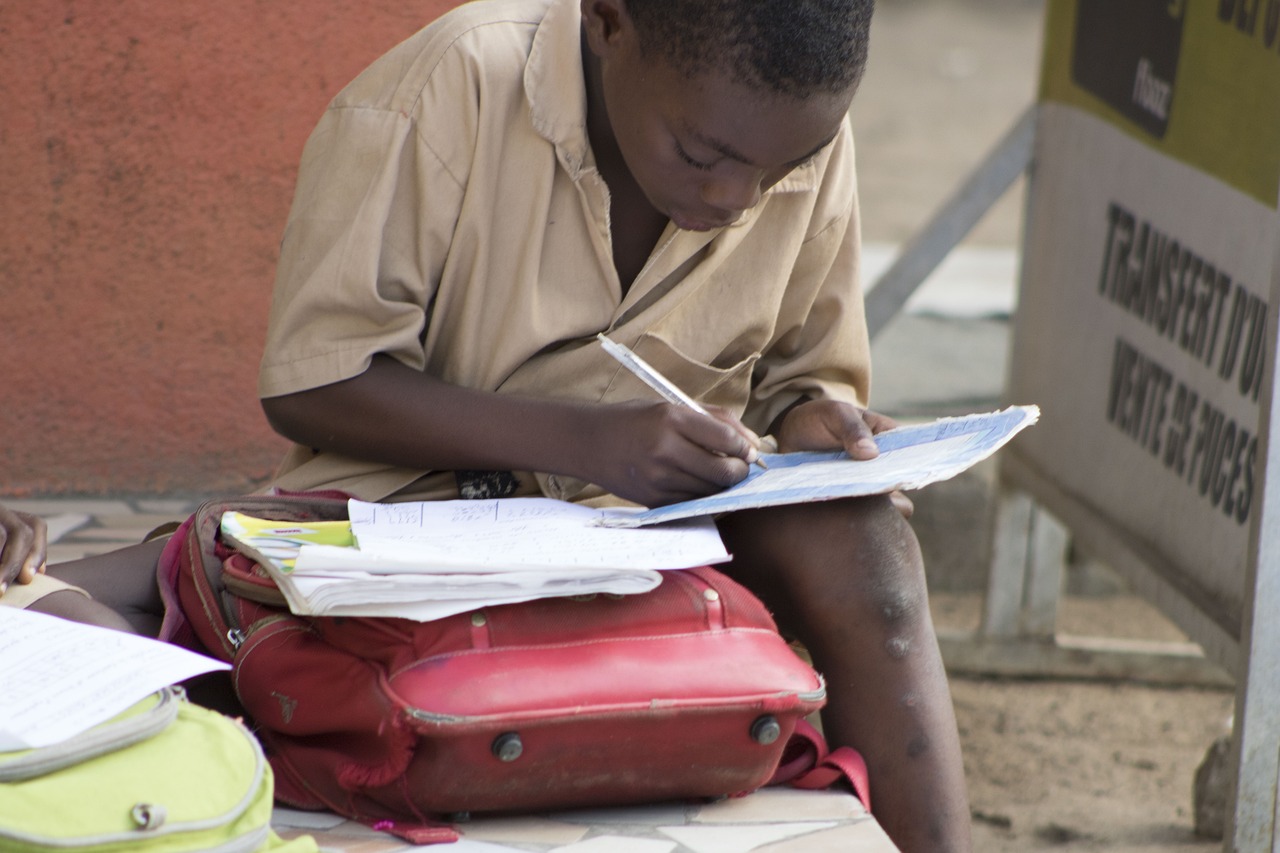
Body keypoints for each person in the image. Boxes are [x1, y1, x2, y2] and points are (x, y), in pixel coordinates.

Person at [38, 0, 973, 848]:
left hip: (664, 537)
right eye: (704, 157)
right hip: (412, 527)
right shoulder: (446, 91)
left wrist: (819, 425)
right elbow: (313, 383)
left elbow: (798, 385)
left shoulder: (782, 132)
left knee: (869, 545)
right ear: (609, 23)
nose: (738, 198)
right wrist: (582, 441)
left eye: (783, 170)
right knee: (83, 612)